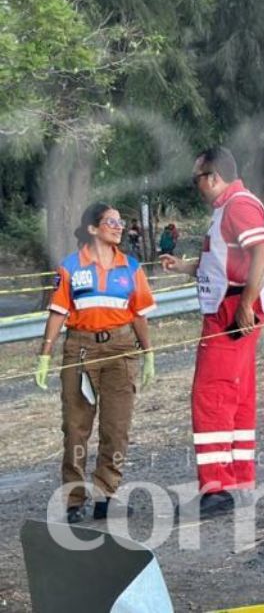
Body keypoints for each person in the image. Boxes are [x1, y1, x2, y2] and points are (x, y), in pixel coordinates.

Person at [159, 147, 264, 519]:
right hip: (231, 305)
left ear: (212, 176)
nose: (196, 186)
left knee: (211, 396)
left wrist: (245, 303)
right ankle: (239, 480)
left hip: (231, 310)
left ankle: (217, 488)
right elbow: (223, 262)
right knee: (237, 395)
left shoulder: (238, 205)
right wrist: (183, 268)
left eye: (196, 179)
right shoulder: (227, 209)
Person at [35, 203, 158, 524]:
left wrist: (148, 354)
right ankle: (73, 501)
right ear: (92, 228)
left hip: (120, 349)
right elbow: (58, 312)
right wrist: (45, 354)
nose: (118, 227)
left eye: (120, 222)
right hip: (80, 349)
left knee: (116, 428)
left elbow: (139, 314)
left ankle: (106, 495)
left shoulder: (130, 267)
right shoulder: (71, 267)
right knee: (76, 428)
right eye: (110, 222)